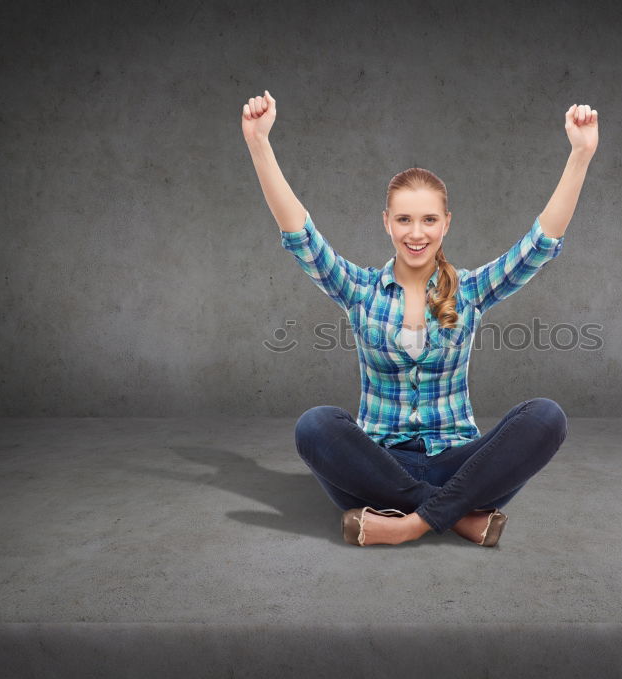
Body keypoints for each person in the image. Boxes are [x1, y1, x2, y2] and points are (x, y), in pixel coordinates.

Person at [242, 90, 599, 547]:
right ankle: (459, 516)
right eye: (405, 220)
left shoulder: (469, 289)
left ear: (446, 223)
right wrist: (259, 143)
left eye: (429, 220)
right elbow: (300, 236)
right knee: (315, 425)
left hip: (458, 464)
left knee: (546, 417)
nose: (416, 233)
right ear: (386, 223)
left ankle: (405, 524)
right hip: (375, 466)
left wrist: (580, 155)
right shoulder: (360, 289)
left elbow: (538, 246)